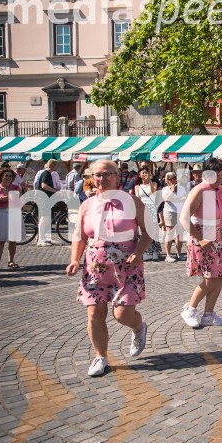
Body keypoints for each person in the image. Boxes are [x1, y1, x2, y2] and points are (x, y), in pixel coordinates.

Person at [66, 159, 151, 377]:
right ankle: (100, 357)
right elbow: (80, 236)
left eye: (107, 174)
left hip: (127, 266)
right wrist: (75, 260)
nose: (102, 179)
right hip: (95, 265)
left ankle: (138, 327)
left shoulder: (132, 201)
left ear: (116, 176)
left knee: (122, 315)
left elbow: (149, 231)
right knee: (95, 312)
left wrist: (139, 252)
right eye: (97, 175)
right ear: (91, 179)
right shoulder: (87, 205)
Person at [180, 157, 222, 329]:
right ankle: (190, 309)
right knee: (209, 278)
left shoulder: (220, 190)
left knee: (220, 275)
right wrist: (201, 239)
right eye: (216, 175)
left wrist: (221, 236)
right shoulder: (199, 190)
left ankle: (208, 314)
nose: (220, 178)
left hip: (215, 236)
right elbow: (183, 218)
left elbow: (220, 216)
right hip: (201, 236)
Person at [0, 168, 24, 272]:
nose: (8, 177)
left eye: (10, 176)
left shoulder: (16, 188)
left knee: (13, 240)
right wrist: (0, 199)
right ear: (1, 177)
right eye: (6, 175)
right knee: (1, 240)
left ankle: (11, 261)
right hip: (1, 213)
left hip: (14, 213)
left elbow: (18, 202)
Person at [134, 166, 161, 261]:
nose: (145, 174)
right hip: (143, 207)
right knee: (143, 230)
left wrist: (149, 181)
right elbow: (138, 198)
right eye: (143, 173)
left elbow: (154, 194)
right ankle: (145, 251)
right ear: (139, 175)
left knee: (153, 229)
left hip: (152, 207)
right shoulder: (137, 186)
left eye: (146, 172)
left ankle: (155, 251)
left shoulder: (153, 183)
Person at [161, 171, 186, 262]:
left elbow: (185, 199)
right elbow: (166, 199)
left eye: (174, 178)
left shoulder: (182, 188)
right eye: (170, 179)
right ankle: (168, 255)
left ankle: (179, 253)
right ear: (167, 180)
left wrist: (174, 199)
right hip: (170, 212)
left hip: (180, 212)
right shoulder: (165, 189)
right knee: (170, 233)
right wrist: (172, 191)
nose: (172, 180)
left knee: (180, 234)